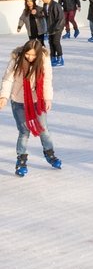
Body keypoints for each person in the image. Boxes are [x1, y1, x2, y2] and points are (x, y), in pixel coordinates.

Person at [0, 39, 61, 176]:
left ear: (39, 54)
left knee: (43, 128)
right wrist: (4, 96)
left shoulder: (44, 60)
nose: (30, 58)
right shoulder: (17, 60)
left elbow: (47, 80)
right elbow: (7, 79)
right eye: (28, 54)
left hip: (37, 100)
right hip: (18, 101)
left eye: (33, 55)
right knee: (24, 132)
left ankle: (49, 154)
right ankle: (21, 161)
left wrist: (47, 98)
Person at [38, 0, 65, 67]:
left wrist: (57, 28)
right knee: (51, 43)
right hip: (50, 28)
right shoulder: (45, 5)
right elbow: (45, 15)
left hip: (57, 27)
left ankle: (60, 58)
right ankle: (53, 58)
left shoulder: (56, 5)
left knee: (56, 42)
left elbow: (61, 18)